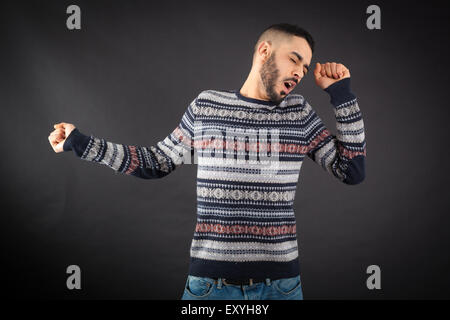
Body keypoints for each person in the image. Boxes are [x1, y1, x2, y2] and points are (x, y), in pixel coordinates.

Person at [48, 23, 366, 300]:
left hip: (280, 287)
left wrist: (342, 95)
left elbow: (351, 170)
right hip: (210, 288)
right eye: (294, 59)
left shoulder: (298, 112)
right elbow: (155, 161)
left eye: (305, 68)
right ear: (265, 50)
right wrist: (81, 142)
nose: (299, 72)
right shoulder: (207, 106)